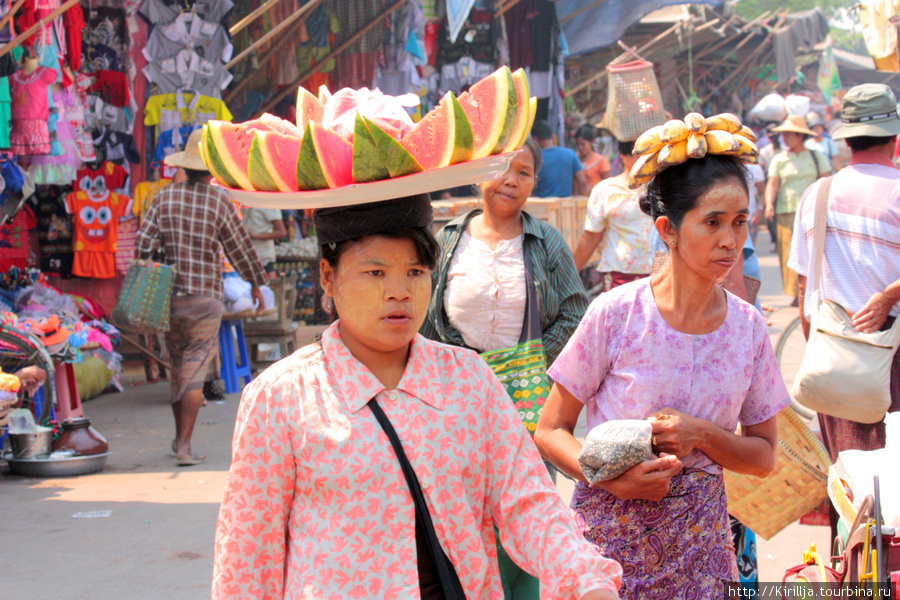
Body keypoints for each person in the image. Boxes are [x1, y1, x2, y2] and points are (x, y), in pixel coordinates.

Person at [212, 192, 623, 600]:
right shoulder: (281, 396)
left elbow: (528, 501)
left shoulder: (468, 379)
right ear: (327, 276)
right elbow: (249, 557)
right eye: (375, 273)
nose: (400, 292)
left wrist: (586, 581)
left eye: (415, 271)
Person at [534, 137, 791, 600]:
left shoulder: (747, 328)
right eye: (711, 222)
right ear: (667, 229)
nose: (730, 240)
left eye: (739, 222)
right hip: (606, 547)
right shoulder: (616, 314)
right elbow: (550, 430)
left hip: (703, 552)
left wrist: (704, 435)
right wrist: (611, 479)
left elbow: (765, 456)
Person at [420, 139, 588, 599]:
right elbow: (427, 318)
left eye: (525, 172)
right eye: (503, 169)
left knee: (523, 512)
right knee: (462, 512)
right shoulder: (448, 240)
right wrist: (465, 370)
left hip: (528, 399)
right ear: (479, 173)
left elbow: (576, 313)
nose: (511, 181)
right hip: (456, 400)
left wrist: (526, 364)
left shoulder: (546, 240)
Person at [787, 83, 900, 541]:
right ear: (894, 136)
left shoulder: (817, 194)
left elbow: (802, 291)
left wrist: (821, 350)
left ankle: (849, 578)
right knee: (892, 487)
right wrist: (891, 295)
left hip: (833, 359)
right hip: (892, 361)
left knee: (849, 487)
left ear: (847, 138)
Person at [135, 129, 268, 467]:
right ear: (211, 171)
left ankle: (179, 439)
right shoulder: (219, 201)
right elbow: (240, 248)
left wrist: (166, 256)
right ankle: (184, 446)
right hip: (205, 297)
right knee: (195, 370)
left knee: (178, 368)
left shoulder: (164, 198)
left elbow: (143, 247)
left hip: (170, 299)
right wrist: (255, 283)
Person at [764, 114, 831, 302]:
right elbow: (773, 184)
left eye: (788, 134)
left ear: (800, 136)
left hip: (813, 211)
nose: (784, 139)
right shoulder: (779, 159)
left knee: (814, 251)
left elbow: (825, 179)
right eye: (783, 135)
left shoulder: (815, 156)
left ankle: (814, 290)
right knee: (788, 251)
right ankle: (795, 293)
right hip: (786, 211)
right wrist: (769, 205)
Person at [571, 138, 652, 296]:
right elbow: (590, 238)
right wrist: (568, 276)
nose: (641, 160)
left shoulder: (661, 188)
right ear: (622, 154)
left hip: (659, 275)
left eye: (647, 155)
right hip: (618, 276)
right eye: (635, 154)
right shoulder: (605, 190)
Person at [531, 120, 589, 197]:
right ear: (552, 136)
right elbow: (583, 182)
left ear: (535, 139)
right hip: (566, 205)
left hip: (541, 206)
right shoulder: (570, 154)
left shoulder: (534, 158)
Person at [242, 207, 286, 272]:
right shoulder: (243, 203)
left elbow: (281, 232)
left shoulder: (268, 205)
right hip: (245, 256)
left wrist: (255, 236)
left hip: (263, 256)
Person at [574, 125, 610, 190]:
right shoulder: (574, 158)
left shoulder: (601, 160)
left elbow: (607, 183)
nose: (580, 147)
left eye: (583, 144)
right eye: (577, 144)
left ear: (592, 142)